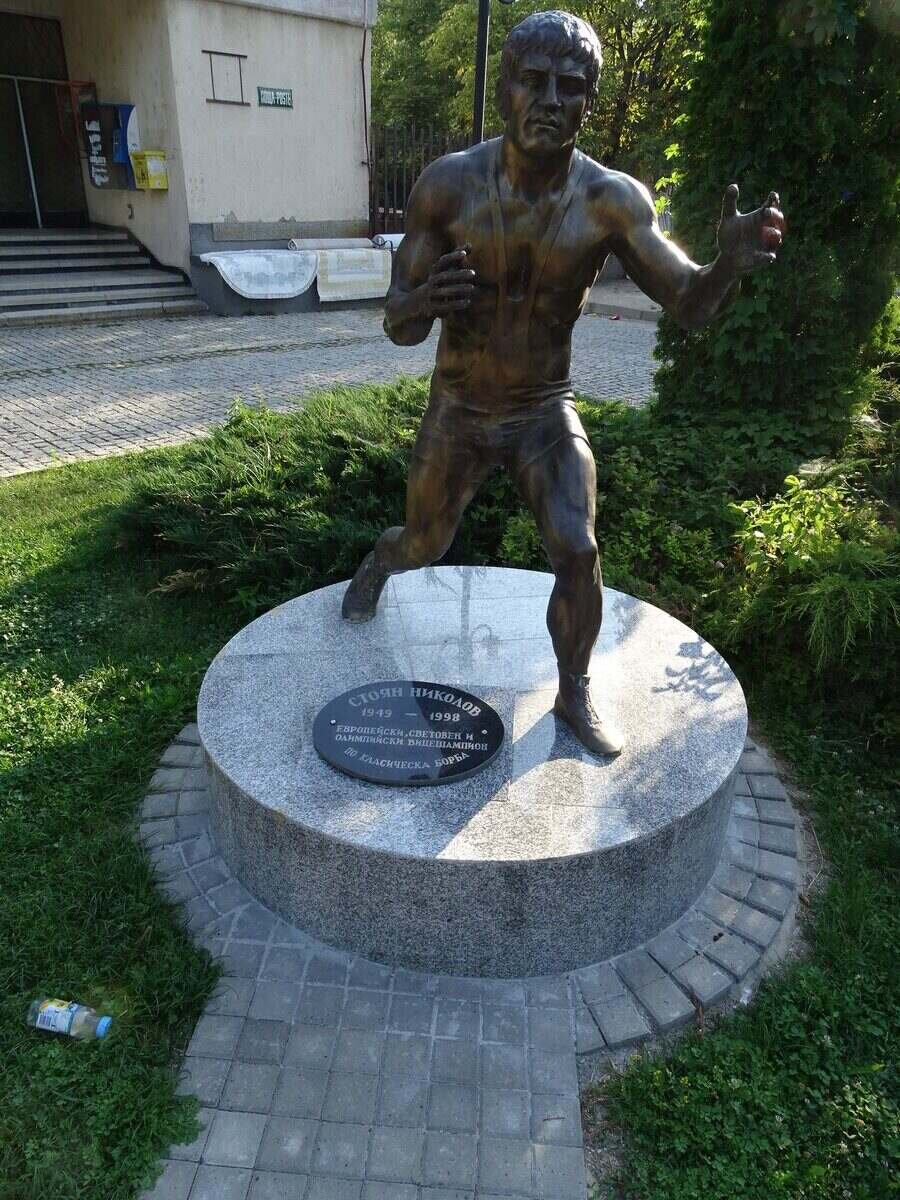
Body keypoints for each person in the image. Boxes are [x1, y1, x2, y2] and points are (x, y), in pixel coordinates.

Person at [342, 10, 785, 756]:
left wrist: (726, 269)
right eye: (534, 81)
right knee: (423, 542)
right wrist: (424, 302)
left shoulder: (612, 200)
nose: (551, 100)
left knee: (578, 548)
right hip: (459, 407)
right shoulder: (447, 186)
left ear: (589, 100)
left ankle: (574, 691)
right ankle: (380, 563)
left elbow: (688, 303)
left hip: (543, 410)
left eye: (571, 86)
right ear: (505, 90)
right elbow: (397, 323)